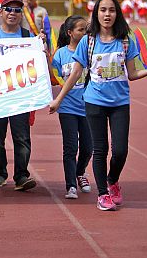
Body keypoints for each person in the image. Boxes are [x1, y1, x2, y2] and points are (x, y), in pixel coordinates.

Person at [49, 0, 147, 211]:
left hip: (119, 103)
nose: (107, 14)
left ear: (118, 14)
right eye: (103, 10)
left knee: (121, 150)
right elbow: (76, 73)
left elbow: (132, 74)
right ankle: (103, 194)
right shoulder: (88, 41)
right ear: (96, 13)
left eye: (112, 10)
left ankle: (112, 180)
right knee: (100, 150)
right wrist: (58, 99)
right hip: (94, 102)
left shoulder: (125, 41)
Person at [0, 0, 39, 191]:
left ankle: (21, 176)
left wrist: (42, 48)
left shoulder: (28, 38)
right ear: (0, 12)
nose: (12, 13)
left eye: (17, 10)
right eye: (8, 9)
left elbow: (38, 66)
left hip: (20, 97)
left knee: (21, 138)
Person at [51, 15, 93, 200]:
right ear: (70, 33)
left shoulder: (91, 52)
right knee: (70, 147)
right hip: (68, 107)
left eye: (87, 30)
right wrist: (45, 56)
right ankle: (70, 185)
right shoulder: (60, 54)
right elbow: (53, 78)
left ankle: (80, 172)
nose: (85, 33)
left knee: (88, 148)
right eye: (81, 30)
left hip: (89, 107)